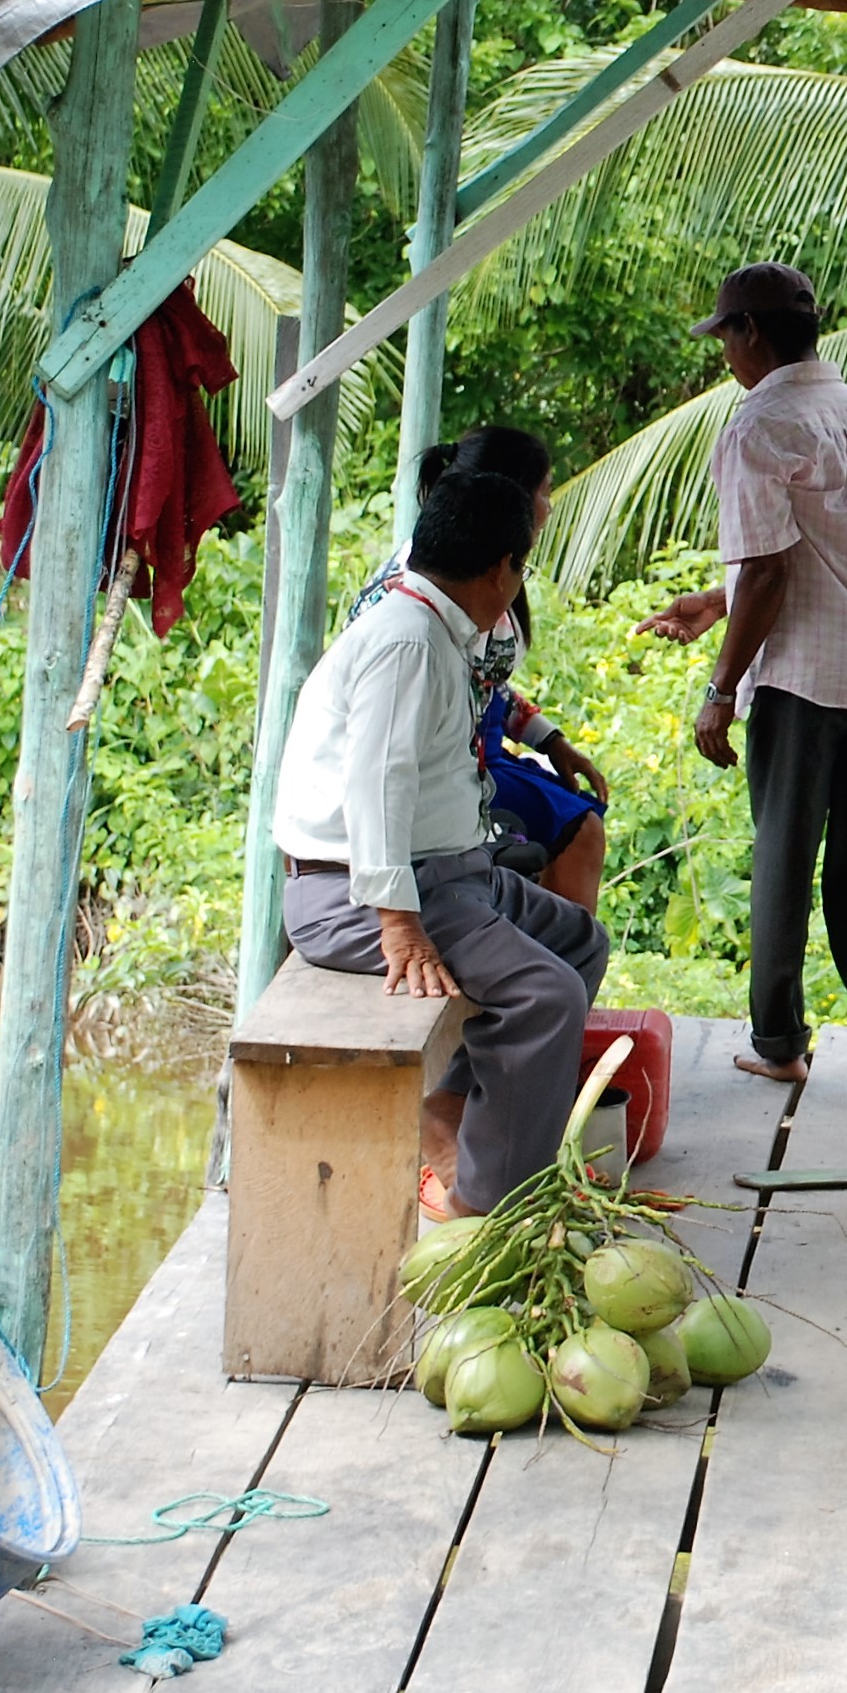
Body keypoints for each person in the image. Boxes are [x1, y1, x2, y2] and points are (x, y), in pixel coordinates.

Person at [278, 468, 613, 1221]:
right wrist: (398, 922)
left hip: (448, 876)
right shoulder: (406, 641)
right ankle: (490, 1210)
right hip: (361, 896)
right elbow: (377, 782)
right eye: (520, 569)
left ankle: (456, 1110)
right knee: (546, 996)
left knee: (579, 943)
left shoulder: (433, 623)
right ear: (500, 570)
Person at [641, 263, 847, 1088]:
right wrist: (718, 600)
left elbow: (772, 570)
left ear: (749, 333)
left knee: (783, 857)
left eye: (725, 337)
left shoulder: (759, 424)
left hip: (803, 676)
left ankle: (778, 1042)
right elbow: (827, 552)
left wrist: (720, 689)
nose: (725, 356)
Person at [348, 427, 611, 914]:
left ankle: (557, 945)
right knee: (580, 831)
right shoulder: (416, 602)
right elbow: (386, 761)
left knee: (576, 819)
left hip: (473, 750)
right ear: (507, 496)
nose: (550, 507)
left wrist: (549, 740)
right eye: (545, 491)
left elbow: (485, 684)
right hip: (444, 767)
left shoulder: (480, 568)